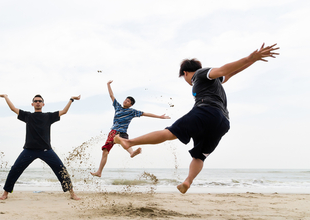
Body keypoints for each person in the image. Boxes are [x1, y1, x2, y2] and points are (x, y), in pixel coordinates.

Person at [115, 43, 279, 193]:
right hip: (223, 122)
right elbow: (231, 73)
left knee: (170, 133)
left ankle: (130, 142)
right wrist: (253, 61)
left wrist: (250, 57)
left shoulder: (200, 75)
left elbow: (222, 70)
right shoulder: (214, 82)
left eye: (184, 77)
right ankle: (187, 181)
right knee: (199, 156)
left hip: (206, 111)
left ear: (185, 73)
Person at [0, 93, 81, 200]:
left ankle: (72, 193)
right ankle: (5, 193)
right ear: (32, 104)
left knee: (61, 169)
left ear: (43, 104)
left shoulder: (48, 116)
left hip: (46, 150)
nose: (38, 102)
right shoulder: (28, 116)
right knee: (15, 169)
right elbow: (13, 108)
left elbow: (64, 111)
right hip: (29, 150)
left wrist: (71, 99)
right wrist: (6, 97)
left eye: (40, 101)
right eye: (36, 101)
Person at [90, 80, 170, 177]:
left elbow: (145, 114)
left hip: (118, 132)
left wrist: (159, 117)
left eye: (128, 101)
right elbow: (111, 95)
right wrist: (108, 85)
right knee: (107, 151)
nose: (125, 101)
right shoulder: (118, 107)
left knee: (114, 146)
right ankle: (129, 154)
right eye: (125, 99)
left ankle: (130, 154)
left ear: (131, 104)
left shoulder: (132, 111)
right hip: (118, 132)